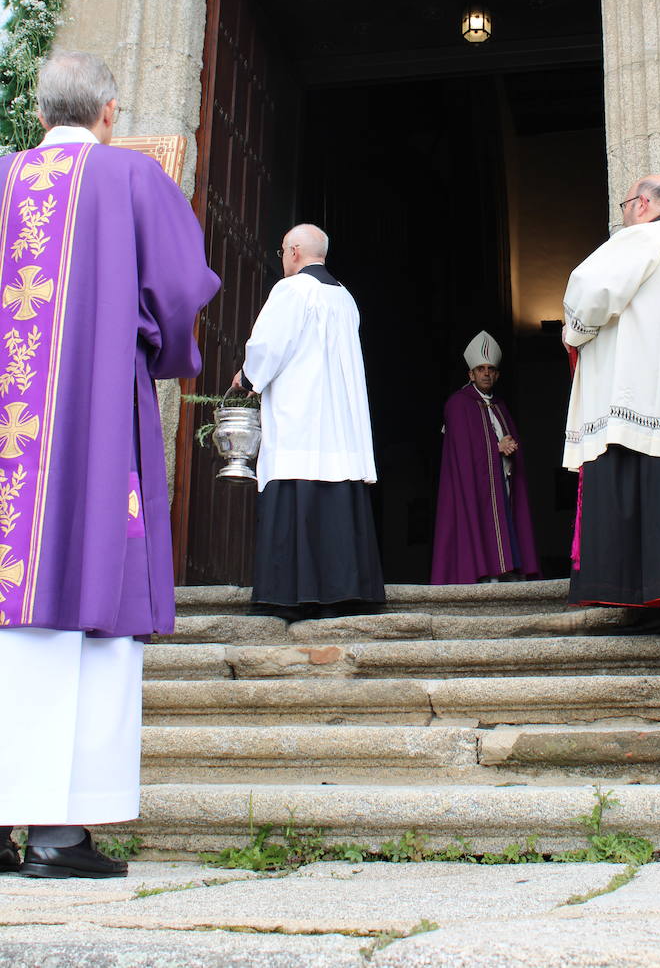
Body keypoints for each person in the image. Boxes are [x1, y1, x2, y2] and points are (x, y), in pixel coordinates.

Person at [0, 50, 219, 878]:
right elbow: (176, 288)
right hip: (91, 426)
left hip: (6, 442)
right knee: (89, 605)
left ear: (40, 112)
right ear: (108, 114)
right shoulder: (129, 181)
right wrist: (161, 349)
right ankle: (58, 836)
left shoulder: (3, 181)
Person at [563, 176, 660, 632]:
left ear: (644, 203)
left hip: (639, 399)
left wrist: (575, 334)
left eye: (627, 205)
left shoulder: (639, 239)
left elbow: (588, 297)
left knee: (642, 491)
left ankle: (641, 597)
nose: (625, 215)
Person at [232, 224, 384, 620]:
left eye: (283, 250)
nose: (282, 258)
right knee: (335, 492)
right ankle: (343, 592)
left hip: (301, 416)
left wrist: (248, 378)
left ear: (295, 251)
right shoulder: (345, 298)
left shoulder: (292, 290)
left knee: (294, 488)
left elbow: (269, 344)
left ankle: (289, 595)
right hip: (339, 422)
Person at [430, 331, 540, 585]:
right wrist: (496, 448)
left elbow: (505, 437)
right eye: (481, 369)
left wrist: (511, 445)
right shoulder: (458, 405)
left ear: (497, 374)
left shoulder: (500, 406)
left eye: (491, 369)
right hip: (475, 487)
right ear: (471, 374)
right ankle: (486, 574)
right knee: (481, 524)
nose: (486, 373)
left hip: (504, 481)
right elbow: (462, 452)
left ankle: (509, 570)